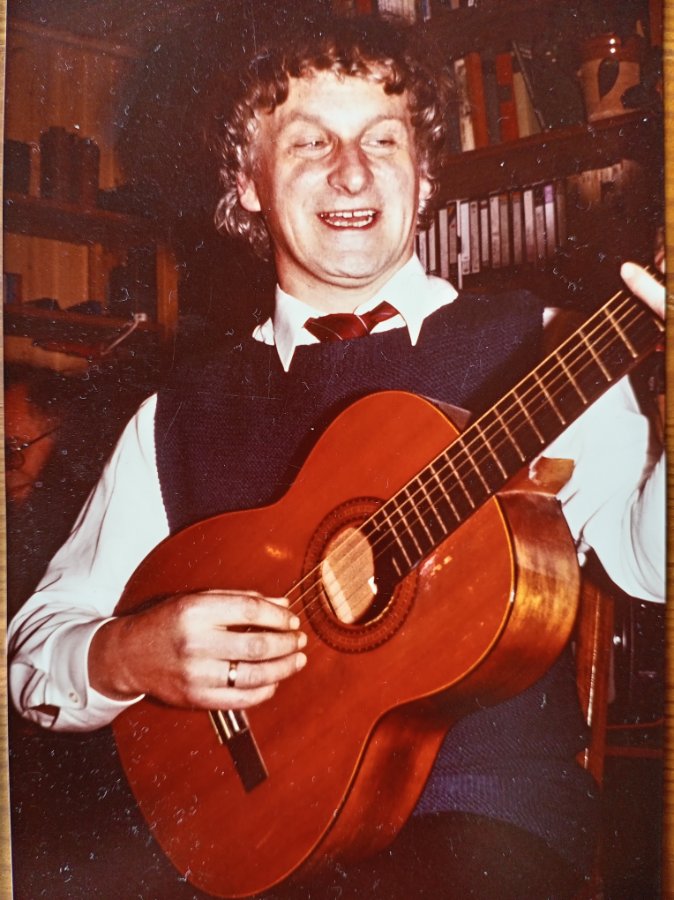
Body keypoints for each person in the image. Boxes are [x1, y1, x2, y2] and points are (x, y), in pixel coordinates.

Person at [7, 15, 665, 900]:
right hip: (247, 837)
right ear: (246, 183)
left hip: (485, 822)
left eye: (382, 140)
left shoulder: (549, 351)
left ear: (424, 176)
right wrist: (129, 654)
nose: (352, 172)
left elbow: (649, 564)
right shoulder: (175, 416)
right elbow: (36, 651)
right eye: (310, 141)